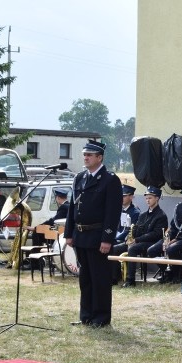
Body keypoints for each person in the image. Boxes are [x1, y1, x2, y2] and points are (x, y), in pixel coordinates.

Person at [65, 139, 123, 327]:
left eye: (89, 155)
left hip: (98, 236)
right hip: (81, 235)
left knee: (100, 279)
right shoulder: (79, 178)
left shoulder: (110, 180)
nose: (86, 157)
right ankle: (86, 315)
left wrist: (107, 238)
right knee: (85, 279)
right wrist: (69, 232)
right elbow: (72, 207)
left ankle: (101, 317)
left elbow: (112, 212)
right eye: (84, 154)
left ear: (100, 157)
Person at [117, 186, 168, 288]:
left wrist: (137, 239)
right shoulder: (143, 215)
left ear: (157, 198)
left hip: (153, 242)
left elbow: (156, 234)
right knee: (115, 248)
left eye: (150, 198)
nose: (147, 200)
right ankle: (115, 277)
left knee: (133, 249)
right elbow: (137, 229)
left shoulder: (161, 215)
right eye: (146, 198)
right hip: (140, 241)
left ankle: (130, 280)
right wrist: (130, 235)